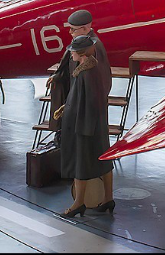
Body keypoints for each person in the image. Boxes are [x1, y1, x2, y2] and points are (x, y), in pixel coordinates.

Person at [54, 35, 114, 218]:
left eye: (73, 50)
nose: (70, 52)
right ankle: (108, 199)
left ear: (80, 53)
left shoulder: (86, 72)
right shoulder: (90, 69)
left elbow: (92, 101)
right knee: (103, 160)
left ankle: (78, 203)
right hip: (93, 125)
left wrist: (84, 129)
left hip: (84, 127)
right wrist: (67, 106)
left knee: (81, 164)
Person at [47, 10, 112, 137]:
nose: (70, 32)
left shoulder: (94, 47)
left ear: (84, 28)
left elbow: (97, 82)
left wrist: (77, 102)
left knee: (85, 146)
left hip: (86, 108)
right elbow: (68, 66)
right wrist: (58, 76)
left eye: (73, 29)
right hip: (76, 100)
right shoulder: (81, 42)